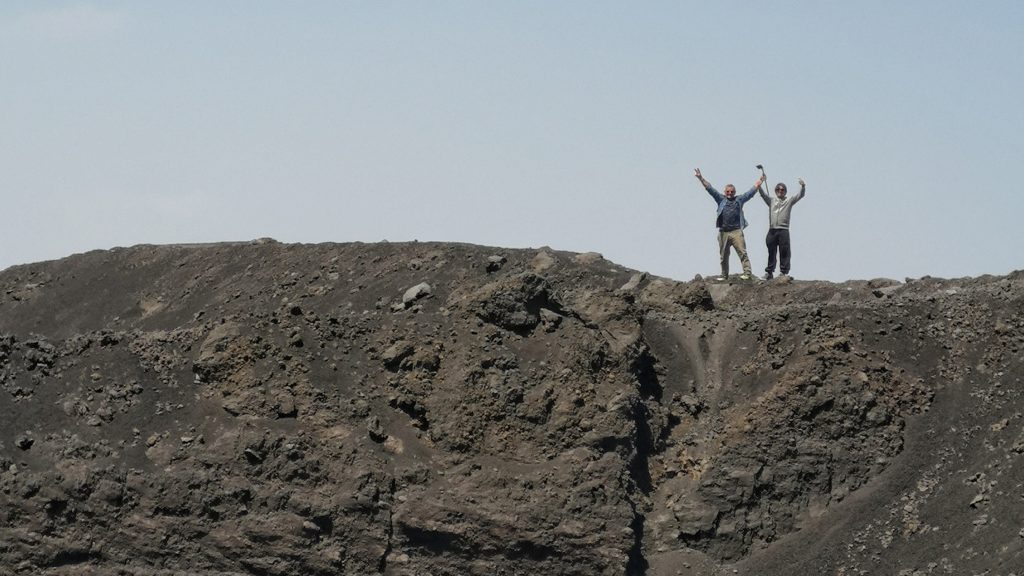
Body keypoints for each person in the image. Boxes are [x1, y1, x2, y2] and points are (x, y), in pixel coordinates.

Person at [694, 168, 764, 281]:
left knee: (742, 252)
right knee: (723, 256)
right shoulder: (720, 199)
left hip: (736, 231)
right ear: (725, 192)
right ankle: (724, 275)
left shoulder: (739, 200)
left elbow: (750, 192)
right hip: (723, 232)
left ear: (734, 192)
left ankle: (747, 273)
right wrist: (700, 178)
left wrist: (760, 181)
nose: (730, 193)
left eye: (732, 192)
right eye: (728, 192)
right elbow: (710, 188)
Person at [759, 178, 806, 280]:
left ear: (785, 191)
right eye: (778, 189)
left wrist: (803, 186)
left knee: (784, 251)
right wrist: (759, 186)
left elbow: (800, 195)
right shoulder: (771, 201)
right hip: (772, 230)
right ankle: (769, 272)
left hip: (783, 229)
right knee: (771, 252)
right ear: (776, 191)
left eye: (782, 190)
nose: (780, 191)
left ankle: (784, 272)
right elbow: (763, 195)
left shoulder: (789, 200)